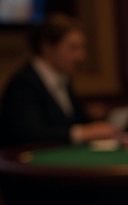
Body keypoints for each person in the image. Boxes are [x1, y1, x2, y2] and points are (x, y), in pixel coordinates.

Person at [0, 13, 117, 146]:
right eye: (73, 48)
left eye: (81, 48)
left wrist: (94, 119)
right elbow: (29, 134)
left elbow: (72, 123)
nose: (81, 56)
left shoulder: (63, 79)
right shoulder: (22, 84)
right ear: (47, 47)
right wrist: (82, 132)